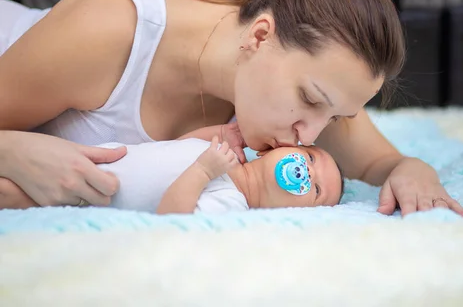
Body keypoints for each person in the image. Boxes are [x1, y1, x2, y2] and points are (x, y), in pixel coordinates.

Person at [0, 0, 463, 218]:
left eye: (335, 117)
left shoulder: (306, 92)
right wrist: (11, 150)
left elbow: (387, 161)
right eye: (310, 100)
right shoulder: (110, 29)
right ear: (260, 35)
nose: (310, 135)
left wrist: (413, 171)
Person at [0, 124, 344, 214]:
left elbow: (172, 215)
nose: (308, 173)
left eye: (316, 191)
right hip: (94, 157)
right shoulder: (229, 154)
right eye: (311, 159)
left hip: (86, 196)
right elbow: (179, 145)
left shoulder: (231, 202)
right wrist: (217, 135)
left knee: (8, 193)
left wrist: (204, 172)